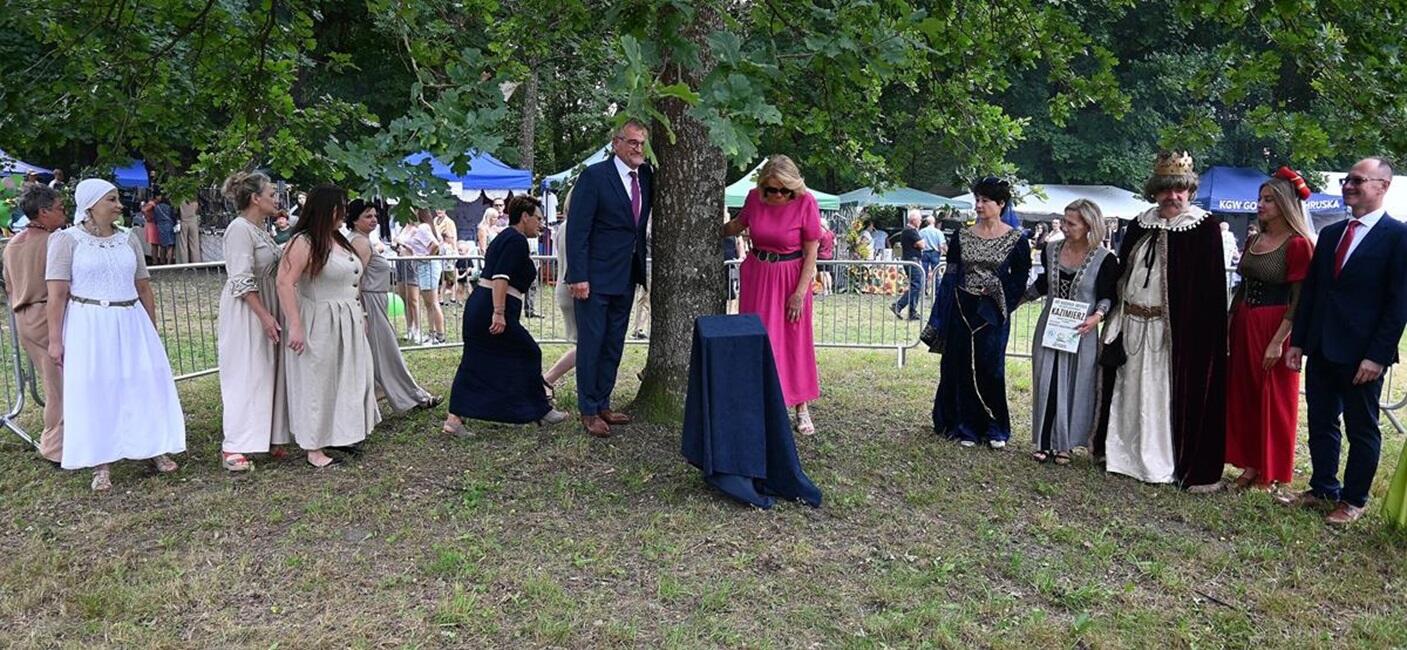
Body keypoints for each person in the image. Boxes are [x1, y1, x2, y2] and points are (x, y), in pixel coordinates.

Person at [1282, 157, 1407, 525]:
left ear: (1383, 186)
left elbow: (1399, 304)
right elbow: (1313, 292)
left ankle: (1353, 500)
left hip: (1362, 355)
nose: (1349, 186)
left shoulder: (1398, 236)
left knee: (1361, 428)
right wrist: (1297, 342)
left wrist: (1378, 356)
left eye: (1358, 180)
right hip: (1322, 346)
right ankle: (1323, 488)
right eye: (1346, 180)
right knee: (1321, 421)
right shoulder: (1332, 234)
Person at [46, 178, 185, 491]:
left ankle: (153, 447)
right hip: (89, 323)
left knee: (142, 381)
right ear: (91, 204)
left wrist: (150, 328)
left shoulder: (128, 238)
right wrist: (55, 340)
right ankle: (101, 462)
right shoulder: (66, 240)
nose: (119, 205)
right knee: (97, 387)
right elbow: (56, 295)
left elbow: (143, 286)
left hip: (131, 319)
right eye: (111, 200)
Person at [1099, 152, 1227, 491]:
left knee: (1161, 396)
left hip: (1173, 334)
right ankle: (1123, 456)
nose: (1173, 196)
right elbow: (1123, 272)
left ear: (1190, 191)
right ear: (1154, 191)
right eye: (1165, 189)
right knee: (1129, 391)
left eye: (1180, 189)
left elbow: (1211, 292)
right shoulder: (1140, 224)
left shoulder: (1203, 228)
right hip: (1132, 324)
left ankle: (1162, 462)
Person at [1221, 169, 1317, 491]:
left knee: (1274, 397)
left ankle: (1270, 469)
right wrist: (1230, 320)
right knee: (1245, 392)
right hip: (1245, 319)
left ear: (1286, 204)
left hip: (1276, 324)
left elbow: (1299, 298)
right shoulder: (1254, 239)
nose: (1261, 205)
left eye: (1269, 200)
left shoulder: (1298, 244)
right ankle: (1250, 465)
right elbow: (1242, 286)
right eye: (1260, 199)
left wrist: (1278, 341)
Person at [275, 184, 380, 468]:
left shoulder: (338, 239)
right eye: (340, 208)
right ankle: (314, 447)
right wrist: (295, 324)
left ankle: (340, 433)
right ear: (326, 209)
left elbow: (352, 281)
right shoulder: (304, 242)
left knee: (347, 378)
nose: (344, 213)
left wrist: (361, 314)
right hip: (320, 319)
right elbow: (284, 282)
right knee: (318, 381)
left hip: (347, 318)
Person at [923, 176, 1031, 449]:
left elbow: (1020, 278)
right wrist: (942, 311)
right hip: (962, 306)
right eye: (977, 200)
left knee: (990, 367)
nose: (979, 205)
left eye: (985, 200)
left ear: (1001, 203)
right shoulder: (963, 235)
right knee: (961, 365)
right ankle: (967, 426)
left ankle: (996, 426)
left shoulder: (1016, 239)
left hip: (993, 309)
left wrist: (1000, 295)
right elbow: (952, 273)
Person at [444, 196, 569, 432]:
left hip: (483, 307)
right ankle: (539, 409)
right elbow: (500, 277)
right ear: (525, 217)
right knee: (529, 352)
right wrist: (499, 312)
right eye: (538, 219)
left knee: (477, 360)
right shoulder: (516, 240)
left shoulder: (506, 237)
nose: (541, 224)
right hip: (490, 309)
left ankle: (455, 418)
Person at [565, 119, 654, 438]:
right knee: (592, 343)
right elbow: (578, 230)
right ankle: (588, 410)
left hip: (627, 275)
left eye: (642, 143)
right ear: (616, 143)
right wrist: (578, 275)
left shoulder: (646, 176)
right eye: (632, 142)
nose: (638, 149)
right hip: (594, 277)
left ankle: (603, 402)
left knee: (614, 343)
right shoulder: (594, 177)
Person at [722, 154, 823, 434]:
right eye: (771, 189)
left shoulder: (806, 202)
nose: (778, 195)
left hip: (791, 279)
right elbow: (738, 225)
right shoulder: (755, 198)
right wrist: (709, 231)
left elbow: (811, 252)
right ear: (763, 185)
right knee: (757, 339)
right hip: (758, 275)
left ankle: (801, 406)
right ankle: (756, 403)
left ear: (794, 186)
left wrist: (800, 293)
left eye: (784, 190)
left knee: (794, 341)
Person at [1026, 199, 1119, 464]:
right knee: (1046, 380)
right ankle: (1044, 441)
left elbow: (1108, 294)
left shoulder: (1104, 259)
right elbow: (1044, 283)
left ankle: (1064, 444)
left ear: (1089, 225)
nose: (1065, 227)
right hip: (1050, 326)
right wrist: (1015, 300)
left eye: (1071, 223)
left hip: (1081, 329)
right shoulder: (1051, 249)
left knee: (1076, 384)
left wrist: (1096, 317)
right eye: (1064, 221)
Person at [217, 171, 293, 472]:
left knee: (267, 369)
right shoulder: (239, 230)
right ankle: (235, 444)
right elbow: (241, 277)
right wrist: (264, 315)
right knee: (246, 372)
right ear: (255, 198)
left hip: (267, 300)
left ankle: (268, 436)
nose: (277, 199)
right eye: (271, 194)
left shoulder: (261, 230)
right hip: (247, 308)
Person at [347, 199, 441, 414]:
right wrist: (362, 311)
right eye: (367, 216)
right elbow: (355, 279)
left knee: (380, 353)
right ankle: (413, 397)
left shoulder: (362, 239)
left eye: (374, 215)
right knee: (387, 353)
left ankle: (393, 394)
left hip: (374, 300)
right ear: (355, 220)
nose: (374, 220)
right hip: (369, 302)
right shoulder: (360, 242)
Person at [6, 185, 67, 462]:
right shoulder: (53, 242)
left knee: (51, 381)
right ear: (43, 212)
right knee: (59, 386)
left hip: (23, 316)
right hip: (47, 314)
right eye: (60, 208)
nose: (64, 213)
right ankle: (55, 446)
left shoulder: (13, 244)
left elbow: (9, 286)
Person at [395, 208, 447, 344]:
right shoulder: (422, 227)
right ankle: (432, 333)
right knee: (429, 304)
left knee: (433, 303)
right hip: (422, 266)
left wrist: (426, 257)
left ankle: (440, 336)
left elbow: (435, 244)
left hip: (427, 267)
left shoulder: (423, 227)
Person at [544, 197, 578, 395]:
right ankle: (548, 379)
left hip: (564, 288)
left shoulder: (563, 227)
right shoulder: (574, 227)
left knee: (585, 345)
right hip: (573, 289)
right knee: (586, 346)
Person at [890, 209, 927, 320]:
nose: (920, 222)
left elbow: (920, 244)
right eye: (919, 220)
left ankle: (912, 311)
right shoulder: (911, 231)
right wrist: (919, 244)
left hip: (911, 260)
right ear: (914, 220)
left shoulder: (908, 230)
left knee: (916, 285)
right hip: (912, 260)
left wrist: (919, 244)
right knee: (916, 285)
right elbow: (922, 245)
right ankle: (899, 305)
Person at [434, 209, 459, 304]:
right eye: (437, 208)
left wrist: (454, 251)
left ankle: (452, 297)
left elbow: (453, 238)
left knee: (452, 280)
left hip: (448, 255)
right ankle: (441, 298)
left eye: (441, 209)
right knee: (443, 280)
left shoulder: (449, 222)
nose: (439, 211)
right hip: (438, 251)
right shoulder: (435, 220)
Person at [919, 215, 946, 291]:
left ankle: (923, 290)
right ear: (934, 222)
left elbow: (919, 242)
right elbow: (941, 244)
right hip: (935, 253)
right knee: (936, 273)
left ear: (926, 222)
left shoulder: (921, 231)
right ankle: (937, 291)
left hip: (925, 253)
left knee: (924, 272)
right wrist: (942, 252)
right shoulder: (938, 232)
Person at [176, 195, 201, 263]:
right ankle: (196, 262)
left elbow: (178, 212)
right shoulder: (195, 201)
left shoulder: (180, 201)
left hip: (183, 222)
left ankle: (184, 263)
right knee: (194, 244)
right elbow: (198, 211)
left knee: (183, 244)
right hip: (193, 223)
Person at [154, 193, 176, 265]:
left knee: (162, 245)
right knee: (170, 246)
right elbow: (173, 216)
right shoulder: (169, 207)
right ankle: (169, 263)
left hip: (160, 226)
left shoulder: (157, 207)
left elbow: (155, 218)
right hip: (169, 225)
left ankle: (162, 261)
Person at [817, 218, 836, 297]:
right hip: (830, 256)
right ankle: (830, 289)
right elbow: (835, 243)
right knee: (828, 273)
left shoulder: (821, 234)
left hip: (821, 256)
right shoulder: (831, 233)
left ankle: (825, 290)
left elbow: (817, 245)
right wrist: (831, 248)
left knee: (822, 273)